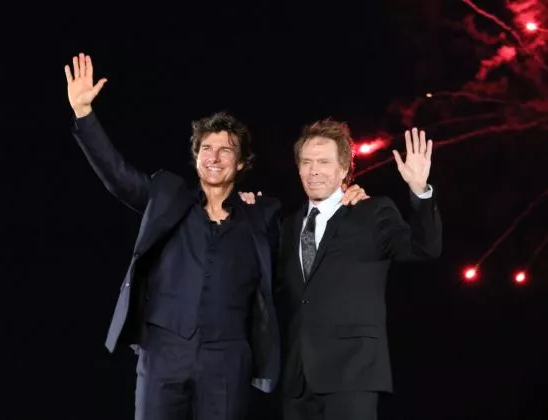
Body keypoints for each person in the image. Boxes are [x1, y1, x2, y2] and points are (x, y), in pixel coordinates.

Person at [63, 53, 368, 420]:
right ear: (196, 158)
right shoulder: (166, 195)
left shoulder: (261, 214)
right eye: (206, 148)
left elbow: (308, 237)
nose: (214, 156)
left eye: (226, 150)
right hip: (163, 354)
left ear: (241, 163)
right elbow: (118, 176)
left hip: (227, 361)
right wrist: (84, 113)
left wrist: (343, 197)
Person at [275, 119, 442, 420]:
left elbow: (423, 249)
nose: (313, 171)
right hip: (297, 380)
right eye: (306, 162)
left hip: (352, 374)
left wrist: (420, 190)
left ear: (344, 169)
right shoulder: (288, 226)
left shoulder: (371, 212)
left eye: (324, 162)